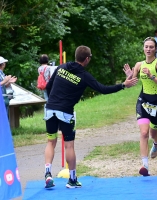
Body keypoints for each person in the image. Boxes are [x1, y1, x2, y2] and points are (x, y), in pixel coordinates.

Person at [43, 45, 138, 189]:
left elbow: (48, 87)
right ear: (87, 59)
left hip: (50, 109)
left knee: (51, 142)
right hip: (65, 112)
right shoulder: (84, 76)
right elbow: (103, 89)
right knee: (69, 145)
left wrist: (53, 101)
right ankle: (72, 180)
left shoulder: (61, 67)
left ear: (76, 56)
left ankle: (48, 174)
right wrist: (123, 85)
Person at [123, 37, 157, 176]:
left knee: (153, 133)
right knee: (143, 133)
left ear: (155, 49)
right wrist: (129, 77)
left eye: (151, 47)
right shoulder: (139, 64)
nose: (148, 49)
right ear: (143, 48)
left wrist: (152, 77)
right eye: (146, 47)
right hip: (143, 101)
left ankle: (156, 143)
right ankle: (145, 166)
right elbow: (131, 82)